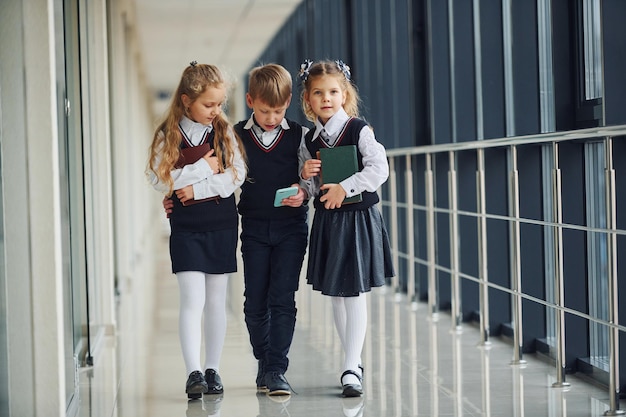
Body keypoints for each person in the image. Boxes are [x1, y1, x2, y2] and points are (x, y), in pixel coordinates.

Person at [165, 64, 309, 397]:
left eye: (279, 111)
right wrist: (176, 193)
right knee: (254, 305)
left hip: (291, 227)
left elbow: (305, 178)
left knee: (283, 300)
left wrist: (304, 190)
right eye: (264, 110)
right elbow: (181, 178)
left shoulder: (298, 135)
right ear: (249, 101)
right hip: (253, 228)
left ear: (288, 104)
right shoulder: (237, 133)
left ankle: (276, 368)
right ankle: (263, 359)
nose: (271, 117)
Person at [146, 61, 246, 399]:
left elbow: (237, 175)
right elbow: (159, 180)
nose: (216, 111)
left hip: (221, 224)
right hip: (186, 227)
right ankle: (193, 373)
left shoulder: (224, 131)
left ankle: (213, 369)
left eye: (219, 104)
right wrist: (200, 168)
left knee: (216, 301)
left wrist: (195, 188)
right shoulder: (167, 134)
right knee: (192, 300)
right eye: (209, 104)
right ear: (187, 100)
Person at [298, 59, 394, 397]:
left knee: (353, 293)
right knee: (336, 295)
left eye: (334, 91)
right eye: (318, 93)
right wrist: (305, 180)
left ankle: (351, 366)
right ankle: (351, 359)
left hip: (356, 218)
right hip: (328, 219)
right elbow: (311, 188)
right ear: (307, 99)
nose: (326, 98)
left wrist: (346, 187)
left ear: (345, 94)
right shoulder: (310, 140)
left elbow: (379, 169)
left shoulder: (359, 129)